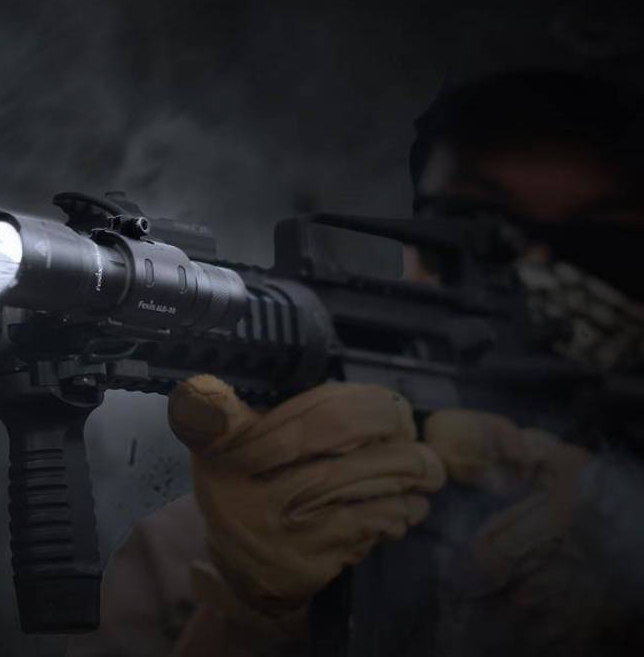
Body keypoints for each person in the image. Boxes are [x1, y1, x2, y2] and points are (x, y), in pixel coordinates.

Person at [66, 68, 644, 657]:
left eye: (599, 247)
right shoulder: (216, 545)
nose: (528, 273)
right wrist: (245, 620)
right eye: (471, 231)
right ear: (414, 243)